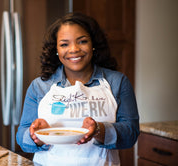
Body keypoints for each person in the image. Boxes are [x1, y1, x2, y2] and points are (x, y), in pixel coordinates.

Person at [16, 12, 139, 166]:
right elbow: (22, 138)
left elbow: (131, 134)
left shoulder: (117, 82)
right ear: (56, 49)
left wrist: (99, 130)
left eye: (82, 41)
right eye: (64, 44)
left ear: (93, 44)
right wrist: (36, 136)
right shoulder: (40, 86)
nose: (73, 49)